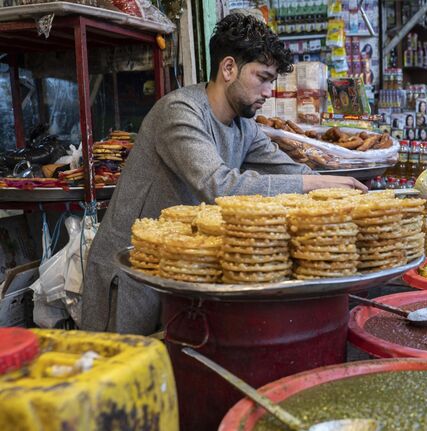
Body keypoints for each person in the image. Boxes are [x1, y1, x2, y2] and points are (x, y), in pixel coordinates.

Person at [81, 14, 366, 335]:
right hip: (130, 270)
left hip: (178, 266)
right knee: (121, 371)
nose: (269, 91)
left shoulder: (245, 127)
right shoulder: (179, 112)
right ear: (228, 68)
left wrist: (344, 193)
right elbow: (219, 186)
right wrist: (318, 182)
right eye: (263, 77)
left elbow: (290, 171)